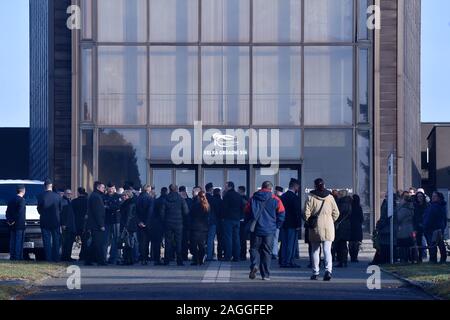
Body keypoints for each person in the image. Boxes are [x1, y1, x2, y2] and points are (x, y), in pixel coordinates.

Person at [245, 181, 285, 281]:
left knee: (254, 249)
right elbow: (282, 213)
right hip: (270, 230)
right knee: (267, 252)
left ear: (261, 187)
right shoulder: (275, 199)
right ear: (271, 189)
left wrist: (250, 220)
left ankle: (254, 265)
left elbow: (246, 210)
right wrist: (277, 226)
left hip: (256, 228)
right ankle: (265, 275)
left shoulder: (253, 198)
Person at [304, 178, 340, 281]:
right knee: (327, 250)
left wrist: (309, 221)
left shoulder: (311, 197)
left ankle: (315, 272)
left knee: (315, 250)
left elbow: (306, 212)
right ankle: (328, 271)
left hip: (315, 226)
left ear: (315, 185)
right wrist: (330, 220)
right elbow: (336, 213)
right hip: (328, 226)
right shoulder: (330, 197)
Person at [160, 184, 189, 266]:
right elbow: (186, 212)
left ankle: (166, 260)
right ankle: (179, 261)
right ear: (176, 189)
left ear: (169, 189)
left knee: (168, 241)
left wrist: (164, 221)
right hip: (179, 223)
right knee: (178, 241)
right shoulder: (181, 199)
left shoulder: (165, 199)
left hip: (168, 223)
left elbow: (161, 212)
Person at [37, 179, 63, 262]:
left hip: (44, 221)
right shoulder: (57, 196)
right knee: (56, 240)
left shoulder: (41, 196)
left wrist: (43, 213)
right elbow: (60, 209)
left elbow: (39, 209)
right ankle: (56, 258)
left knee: (46, 241)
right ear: (51, 186)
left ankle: (48, 258)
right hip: (55, 221)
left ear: (44, 186)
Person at [370, 193, 398, 265]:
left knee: (384, 245)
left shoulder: (388, 205)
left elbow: (385, 217)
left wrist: (380, 225)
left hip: (387, 228)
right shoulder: (391, 204)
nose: (385, 197)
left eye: (387, 196)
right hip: (388, 228)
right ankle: (383, 259)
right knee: (384, 244)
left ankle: (382, 260)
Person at [279, 179, 301, 268]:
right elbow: (297, 212)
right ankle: (289, 261)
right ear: (295, 186)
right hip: (292, 224)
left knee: (284, 243)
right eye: (298, 187)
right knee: (291, 244)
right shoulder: (295, 198)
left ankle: (283, 261)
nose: (298, 188)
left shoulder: (283, 196)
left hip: (283, 223)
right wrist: (298, 224)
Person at [222, 181, 245, 262]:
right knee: (236, 238)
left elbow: (224, 208)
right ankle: (237, 257)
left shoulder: (227, 195)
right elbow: (243, 207)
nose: (225, 188)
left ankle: (228, 256)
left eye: (226, 186)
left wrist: (223, 217)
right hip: (237, 220)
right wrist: (240, 216)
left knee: (228, 238)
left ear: (229, 187)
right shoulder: (238, 196)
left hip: (228, 219)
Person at [85, 181, 107, 266]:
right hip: (96, 225)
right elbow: (97, 212)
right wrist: (101, 225)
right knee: (99, 243)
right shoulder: (96, 197)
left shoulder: (95, 196)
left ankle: (89, 260)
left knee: (95, 243)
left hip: (94, 224)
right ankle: (101, 261)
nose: (104, 189)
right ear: (98, 187)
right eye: (102, 187)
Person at [423, 192, 447, 264]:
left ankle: (433, 259)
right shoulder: (440, 206)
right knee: (439, 243)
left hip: (432, 228)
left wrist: (425, 226)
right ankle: (441, 258)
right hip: (438, 228)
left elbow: (429, 218)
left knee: (433, 244)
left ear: (439, 197)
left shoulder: (434, 206)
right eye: (432, 196)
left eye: (435, 196)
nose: (433, 197)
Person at [6, 185, 26, 261]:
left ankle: (12, 256)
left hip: (11, 224)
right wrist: (14, 220)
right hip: (19, 224)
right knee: (19, 241)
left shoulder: (11, 200)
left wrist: (9, 221)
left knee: (12, 241)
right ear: (23, 191)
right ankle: (18, 257)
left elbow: (7, 212)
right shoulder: (22, 200)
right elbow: (19, 212)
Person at [397, 192, 418, 263]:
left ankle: (404, 259)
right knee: (408, 245)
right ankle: (409, 259)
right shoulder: (411, 208)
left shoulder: (404, 209)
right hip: (409, 228)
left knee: (403, 245)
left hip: (404, 229)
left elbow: (398, 218)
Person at [190, 191, 210, 265]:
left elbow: (191, 214)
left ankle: (196, 260)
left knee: (194, 245)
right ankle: (201, 259)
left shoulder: (196, 205)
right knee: (201, 244)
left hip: (195, 227)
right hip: (204, 228)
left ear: (198, 196)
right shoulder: (207, 205)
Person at [136, 184, 155, 265]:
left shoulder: (138, 198)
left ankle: (142, 257)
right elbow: (150, 212)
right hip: (148, 223)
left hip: (139, 223)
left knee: (141, 241)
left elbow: (135, 212)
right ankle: (145, 258)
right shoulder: (150, 198)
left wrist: (139, 221)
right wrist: (146, 223)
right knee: (147, 241)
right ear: (148, 189)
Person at [103, 184, 121, 265]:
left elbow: (118, 206)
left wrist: (108, 207)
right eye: (109, 188)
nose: (111, 190)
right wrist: (111, 207)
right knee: (106, 240)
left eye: (112, 188)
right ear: (107, 189)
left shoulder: (118, 196)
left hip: (116, 221)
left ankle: (114, 257)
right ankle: (104, 258)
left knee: (116, 239)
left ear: (114, 189)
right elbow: (102, 207)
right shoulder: (104, 196)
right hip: (106, 221)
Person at [119, 190, 138, 265]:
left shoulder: (129, 204)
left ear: (128, 196)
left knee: (128, 243)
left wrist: (125, 226)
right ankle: (128, 259)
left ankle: (128, 259)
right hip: (129, 225)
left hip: (128, 226)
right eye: (123, 195)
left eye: (125, 195)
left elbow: (128, 216)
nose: (123, 196)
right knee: (128, 243)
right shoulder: (127, 203)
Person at [335, 190, 352, 268]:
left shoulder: (342, 203)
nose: (337, 195)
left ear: (341, 195)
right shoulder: (348, 202)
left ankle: (341, 261)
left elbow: (338, 214)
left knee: (340, 244)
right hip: (346, 225)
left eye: (339, 194)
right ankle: (344, 261)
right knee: (344, 244)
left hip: (341, 225)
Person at [72, 187, 89, 261]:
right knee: (85, 240)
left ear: (78, 193)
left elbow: (72, 213)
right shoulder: (87, 201)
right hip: (85, 223)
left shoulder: (74, 201)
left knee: (77, 240)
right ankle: (84, 255)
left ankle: (76, 255)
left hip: (76, 222)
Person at [151, 187, 167, 265]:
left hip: (156, 224)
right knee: (167, 241)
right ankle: (166, 258)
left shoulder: (156, 201)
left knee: (157, 243)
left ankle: (156, 258)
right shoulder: (166, 201)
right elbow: (162, 214)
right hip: (164, 223)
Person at [61, 189, 76, 262]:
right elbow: (62, 214)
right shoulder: (63, 201)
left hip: (71, 224)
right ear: (64, 193)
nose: (69, 194)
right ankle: (65, 256)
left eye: (70, 193)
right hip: (66, 225)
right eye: (67, 193)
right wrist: (63, 224)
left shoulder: (70, 201)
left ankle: (69, 256)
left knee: (70, 242)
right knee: (66, 242)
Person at [413, 191, 428, 262]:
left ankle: (429, 257)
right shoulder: (415, 206)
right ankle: (419, 258)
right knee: (418, 242)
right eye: (418, 196)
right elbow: (414, 216)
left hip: (426, 226)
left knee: (427, 242)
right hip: (417, 226)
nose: (419, 198)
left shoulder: (427, 205)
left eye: (421, 196)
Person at [349, 194, 364, 263]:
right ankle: (355, 257)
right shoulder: (359, 207)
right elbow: (361, 218)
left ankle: (352, 256)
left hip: (351, 226)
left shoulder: (350, 207)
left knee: (351, 242)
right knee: (356, 243)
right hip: (357, 226)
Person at [210, 188, 224, 261]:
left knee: (211, 239)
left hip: (212, 221)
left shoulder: (211, 201)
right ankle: (219, 255)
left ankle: (211, 254)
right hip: (220, 222)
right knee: (220, 240)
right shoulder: (221, 201)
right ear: (219, 193)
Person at [180, 186, 193, 261]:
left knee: (181, 240)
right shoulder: (190, 201)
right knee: (186, 240)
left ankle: (182, 255)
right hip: (188, 223)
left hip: (181, 223)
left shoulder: (178, 201)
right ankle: (185, 255)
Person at [205, 183, 217, 261]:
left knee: (204, 239)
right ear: (211, 189)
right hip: (212, 221)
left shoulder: (203, 198)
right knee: (210, 239)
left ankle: (205, 255)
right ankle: (209, 256)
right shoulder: (213, 199)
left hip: (203, 221)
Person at [272, 186, 284, 261]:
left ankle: (274, 253)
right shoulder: (282, 198)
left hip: (276, 222)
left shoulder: (276, 199)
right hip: (281, 221)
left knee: (275, 238)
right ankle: (277, 253)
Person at [238, 186, 249, 261]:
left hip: (241, 220)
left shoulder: (241, 199)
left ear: (241, 191)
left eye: (238, 191)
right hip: (245, 220)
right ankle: (243, 254)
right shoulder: (248, 199)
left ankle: (242, 254)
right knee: (243, 239)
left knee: (241, 238)